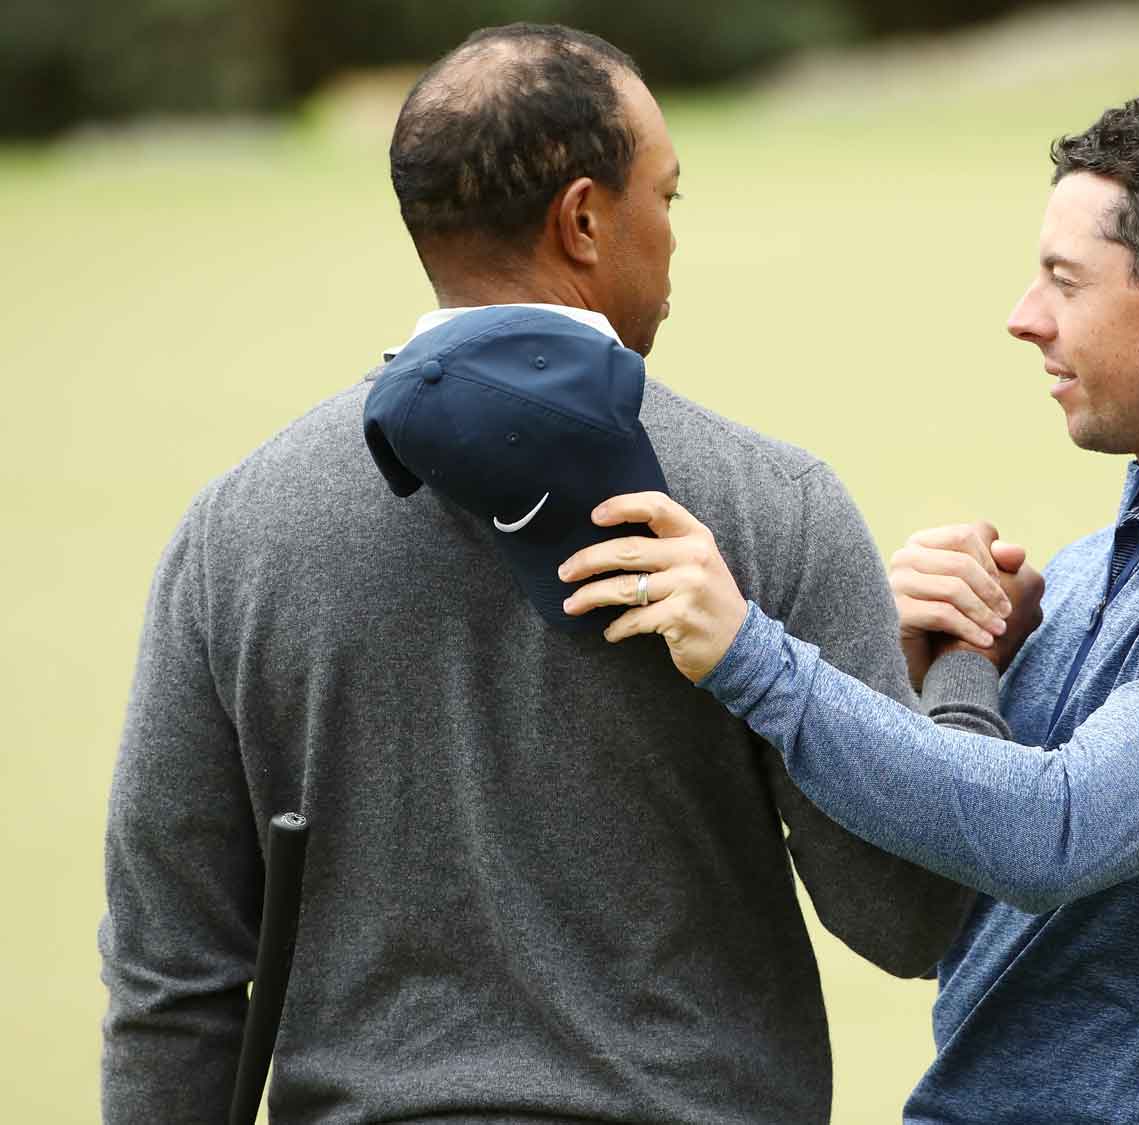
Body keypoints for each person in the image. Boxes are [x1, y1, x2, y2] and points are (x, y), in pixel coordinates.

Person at [99, 23, 999, 1124]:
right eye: (667, 198)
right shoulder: (777, 505)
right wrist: (962, 670)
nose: (673, 238)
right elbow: (908, 918)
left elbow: (171, 982)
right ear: (583, 219)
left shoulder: (231, 534)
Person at [560, 77, 1139, 1121]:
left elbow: (1051, 838)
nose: (1024, 319)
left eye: (1065, 281)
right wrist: (953, 660)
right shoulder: (1078, 578)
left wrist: (753, 654)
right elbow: (963, 894)